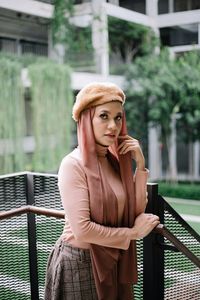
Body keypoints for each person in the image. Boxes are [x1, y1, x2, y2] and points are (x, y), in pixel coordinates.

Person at [44, 82, 160, 300]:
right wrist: (133, 234)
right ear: (86, 118)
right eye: (104, 116)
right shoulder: (72, 164)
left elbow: (133, 211)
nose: (113, 126)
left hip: (112, 256)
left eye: (118, 118)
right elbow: (83, 230)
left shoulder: (113, 161)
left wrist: (140, 164)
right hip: (79, 263)